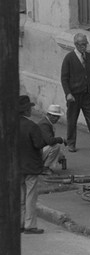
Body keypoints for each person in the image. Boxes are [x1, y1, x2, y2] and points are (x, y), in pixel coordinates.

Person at [61, 33, 90, 154]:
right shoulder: (69, 58)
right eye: (82, 44)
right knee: (72, 119)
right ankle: (71, 143)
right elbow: (64, 78)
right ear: (76, 44)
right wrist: (68, 93)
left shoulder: (89, 57)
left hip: (87, 94)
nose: (84, 46)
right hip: (74, 95)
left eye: (86, 44)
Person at [19, 95, 46, 234]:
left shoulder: (10, 124)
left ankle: (20, 222)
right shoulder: (31, 126)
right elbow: (38, 144)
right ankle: (30, 225)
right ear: (25, 110)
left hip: (16, 167)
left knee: (20, 196)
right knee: (30, 196)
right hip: (30, 166)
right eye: (29, 107)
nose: (31, 109)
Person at [38, 104, 67, 175]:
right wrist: (61, 139)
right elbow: (50, 141)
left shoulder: (47, 122)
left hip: (40, 149)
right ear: (50, 115)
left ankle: (44, 165)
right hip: (37, 151)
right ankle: (45, 168)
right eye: (55, 117)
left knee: (60, 154)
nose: (57, 119)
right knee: (56, 147)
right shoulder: (44, 124)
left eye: (58, 117)